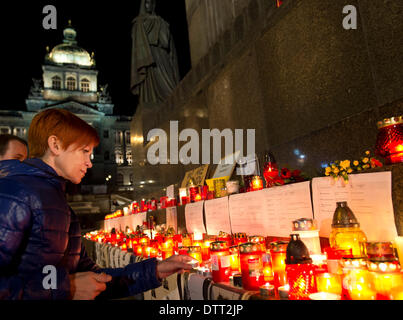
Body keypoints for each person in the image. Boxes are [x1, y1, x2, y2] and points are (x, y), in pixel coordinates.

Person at [0, 108, 192, 300]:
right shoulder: (15, 192)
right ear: (55, 145)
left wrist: (157, 269)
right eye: (84, 151)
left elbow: (96, 280)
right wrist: (67, 288)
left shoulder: (62, 207)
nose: (90, 163)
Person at [131, 0, 180, 105]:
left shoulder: (162, 22)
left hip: (162, 56)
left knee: (172, 92)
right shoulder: (139, 22)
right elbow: (137, 45)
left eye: (152, 2)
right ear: (143, 5)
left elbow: (169, 43)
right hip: (147, 57)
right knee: (151, 96)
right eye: (147, 2)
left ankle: (174, 121)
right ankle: (170, 120)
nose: (150, 5)